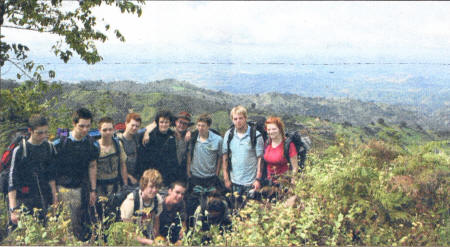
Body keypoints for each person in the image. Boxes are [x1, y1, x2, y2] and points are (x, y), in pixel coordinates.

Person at [52, 107, 99, 241]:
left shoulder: (91, 144)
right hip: (63, 189)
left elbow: (92, 166)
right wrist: (54, 192)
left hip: (82, 189)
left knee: (80, 223)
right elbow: (51, 168)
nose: (85, 129)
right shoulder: (60, 143)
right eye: (81, 126)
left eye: (88, 126)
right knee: (65, 225)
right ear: (74, 124)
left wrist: (93, 190)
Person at [8, 114, 57, 228]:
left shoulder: (49, 148)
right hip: (23, 198)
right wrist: (13, 208)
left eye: (46, 132)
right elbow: (12, 180)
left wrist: (55, 200)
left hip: (44, 197)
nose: (44, 136)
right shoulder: (20, 150)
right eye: (40, 133)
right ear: (30, 130)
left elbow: (52, 176)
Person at [222, 106, 264, 207]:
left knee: (250, 213)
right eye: (235, 119)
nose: (238, 121)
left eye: (241, 118)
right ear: (232, 120)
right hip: (234, 182)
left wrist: (258, 179)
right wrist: (226, 178)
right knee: (235, 211)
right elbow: (225, 157)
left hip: (250, 183)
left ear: (245, 118)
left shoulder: (256, 135)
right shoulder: (229, 134)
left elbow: (260, 159)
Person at [186, 113, 223, 221]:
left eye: (203, 126)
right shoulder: (193, 138)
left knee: (209, 206)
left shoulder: (217, 140)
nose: (200, 128)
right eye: (198, 125)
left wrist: (217, 173)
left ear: (209, 126)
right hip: (195, 177)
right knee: (192, 205)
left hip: (210, 178)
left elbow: (220, 157)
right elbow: (189, 155)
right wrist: (188, 171)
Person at [143, 111, 192, 183]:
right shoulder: (170, 134)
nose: (182, 125)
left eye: (185, 124)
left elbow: (188, 155)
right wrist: (146, 132)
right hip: (157, 174)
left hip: (177, 175)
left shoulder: (188, 138)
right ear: (175, 122)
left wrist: (189, 131)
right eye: (180, 122)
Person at [120, 169, 164, 245]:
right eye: (151, 186)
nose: (154, 190)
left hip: (147, 236)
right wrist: (148, 242)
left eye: (157, 187)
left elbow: (156, 222)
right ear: (144, 185)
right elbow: (127, 233)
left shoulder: (157, 200)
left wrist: (156, 240)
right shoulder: (131, 202)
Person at [138, 110, 178, 188]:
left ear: (170, 123)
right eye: (161, 122)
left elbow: (173, 158)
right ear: (157, 123)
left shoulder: (172, 135)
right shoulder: (150, 136)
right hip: (152, 176)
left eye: (166, 122)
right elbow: (143, 159)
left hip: (167, 176)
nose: (164, 124)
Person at [94, 117, 128, 197]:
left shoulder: (118, 144)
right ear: (99, 130)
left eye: (110, 129)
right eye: (105, 130)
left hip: (116, 185)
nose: (108, 132)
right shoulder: (95, 147)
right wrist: (92, 190)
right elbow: (92, 168)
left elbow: (123, 164)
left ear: (114, 129)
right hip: (100, 187)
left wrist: (125, 185)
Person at [264, 116, 298, 184]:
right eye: (269, 129)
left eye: (274, 129)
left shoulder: (288, 145)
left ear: (280, 129)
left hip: (283, 182)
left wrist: (292, 184)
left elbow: (295, 168)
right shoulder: (267, 143)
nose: (271, 132)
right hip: (269, 182)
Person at [116, 113, 142, 186]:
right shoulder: (118, 141)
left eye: (137, 126)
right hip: (121, 179)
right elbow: (118, 164)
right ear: (126, 124)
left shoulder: (136, 138)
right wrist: (129, 176)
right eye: (132, 125)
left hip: (135, 176)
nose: (134, 128)